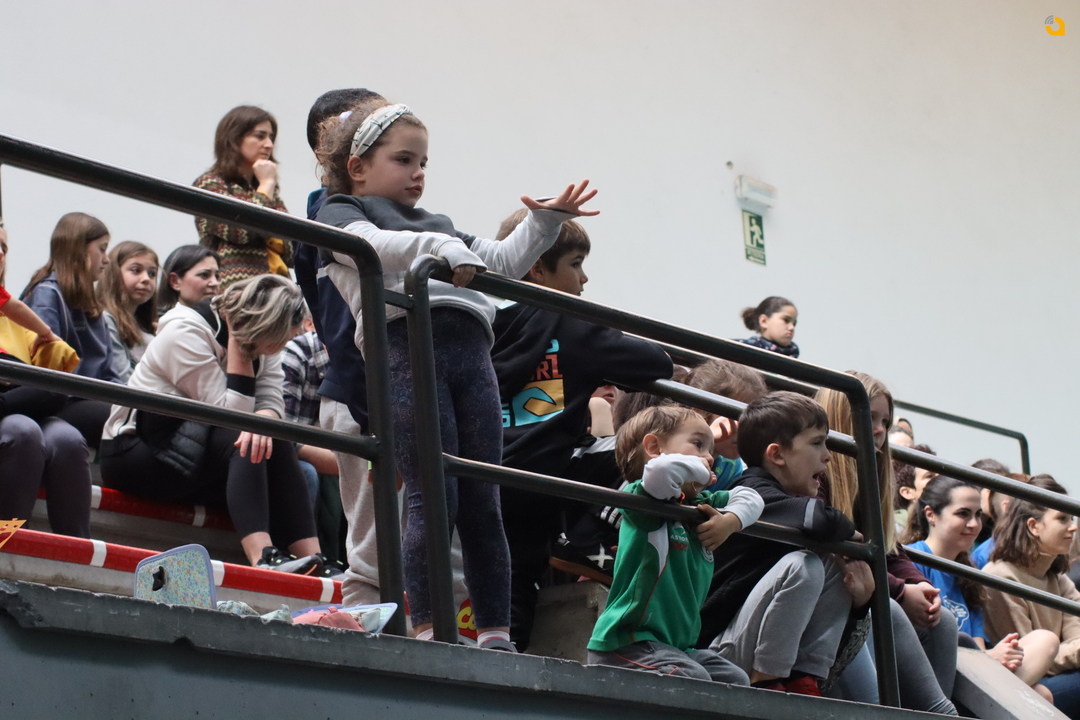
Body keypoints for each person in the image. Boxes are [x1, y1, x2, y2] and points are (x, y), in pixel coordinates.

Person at [315, 100, 598, 650]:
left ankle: (494, 631)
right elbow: (371, 247)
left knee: (483, 498)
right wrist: (440, 248)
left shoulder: (437, 224)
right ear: (358, 167)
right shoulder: (340, 210)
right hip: (408, 350)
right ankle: (429, 626)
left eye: (424, 162)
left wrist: (545, 222)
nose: (418, 172)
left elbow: (501, 260)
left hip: (472, 356)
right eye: (404, 160)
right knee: (433, 494)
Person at [489, 208, 673, 650]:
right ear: (537, 267)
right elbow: (658, 363)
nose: (584, 279)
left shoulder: (479, 320)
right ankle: (587, 543)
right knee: (658, 448)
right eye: (575, 264)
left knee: (499, 574)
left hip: (477, 471)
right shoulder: (573, 324)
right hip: (542, 479)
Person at [99, 275, 327, 574]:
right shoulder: (185, 331)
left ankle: (315, 559)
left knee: (273, 435)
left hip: (195, 450)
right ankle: (263, 558)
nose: (288, 341)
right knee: (244, 436)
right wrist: (240, 347)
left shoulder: (263, 338)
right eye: (285, 335)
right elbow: (229, 416)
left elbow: (272, 402)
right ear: (265, 324)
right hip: (138, 451)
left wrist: (267, 420)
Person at [699, 392, 862, 697]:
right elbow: (820, 519)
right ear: (777, 455)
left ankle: (804, 677)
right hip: (714, 650)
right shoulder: (751, 492)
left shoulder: (778, 497)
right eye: (817, 443)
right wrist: (852, 532)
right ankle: (767, 679)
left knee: (834, 560)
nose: (827, 456)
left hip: (741, 642)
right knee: (803, 564)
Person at [587, 406, 761, 685]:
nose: (710, 458)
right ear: (654, 448)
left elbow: (752, 497)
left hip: (676, 647)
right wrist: (701, 470)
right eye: (698, 444)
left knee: (735, 680)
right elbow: (660, 471)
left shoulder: (697, 505)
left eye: (711, 451)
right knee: (693, 678)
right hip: (628, 642)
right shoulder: (643, 500)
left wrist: (730, 521)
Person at [816, 372, 958, 714]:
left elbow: (887, 548)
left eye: (885, 421)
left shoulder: (870, 478)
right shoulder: (815, 473)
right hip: (827, 601)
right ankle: (940, 713)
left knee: (944, 621)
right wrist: (899, 591)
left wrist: (917, 584)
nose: (879, 430)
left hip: (862, 594)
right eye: (869, 418)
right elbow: (835, 551)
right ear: (838, 417)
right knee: (889, 609)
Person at [904, 475, 1057, 700]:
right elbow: (917, 648)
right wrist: (991, 658)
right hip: (934, 676)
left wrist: (997, 655)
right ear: (931, 515)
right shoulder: (912, 560)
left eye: (978, 515)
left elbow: (977, 649)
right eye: (962, 514)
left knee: (1042, 680)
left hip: (971, 673)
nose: (974, 524)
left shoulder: (968, 573)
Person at [0, 223, 91, 537]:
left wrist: (47, 338)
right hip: (18, 417)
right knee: (22, 431)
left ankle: (75, 552)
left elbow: (55, 381)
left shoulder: (15, 314)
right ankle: (8, 541)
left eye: (4, 248)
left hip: (18, 405)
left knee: (68, 440)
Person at [984, 475, 1080, 718]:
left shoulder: (1058, 578)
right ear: (1033, 526)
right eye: (1062, 518)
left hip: (1055, 677)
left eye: (1072, 518)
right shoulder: (1000, 577)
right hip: (1023, 687)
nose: (1073, 526)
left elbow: (1077, 636)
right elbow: (1027, 661)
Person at [23, 212, 120, 448]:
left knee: (144, 413)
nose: (107, 260)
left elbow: (109, 373)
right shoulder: (47, 294)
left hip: (91, 399)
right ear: (79, 250)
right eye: (102, 249)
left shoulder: (93, 306)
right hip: (61, 403)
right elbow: (47, 369)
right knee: (125, 421)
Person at [193, 106, 290, 288]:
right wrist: (266, 185)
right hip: (238, 290)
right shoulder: (209, 184)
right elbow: (242, 231)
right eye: (260, 136)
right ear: (234, 139)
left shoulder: (264, 188)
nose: (269, 145)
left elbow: (291, 247)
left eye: (271, 137)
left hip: (280, 290)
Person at [98, 241, 158, 383]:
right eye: (136, 270)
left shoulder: (149, 327)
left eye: (152, 273)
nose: (146, 279)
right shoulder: (105, 319)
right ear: (114, 274)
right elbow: (123, 379)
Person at [157, 245, 221, 315]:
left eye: (217, 276)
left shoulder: (222, 318)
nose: (215, 283)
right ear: (175, 281)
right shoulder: (161, 321)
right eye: (204, 275)